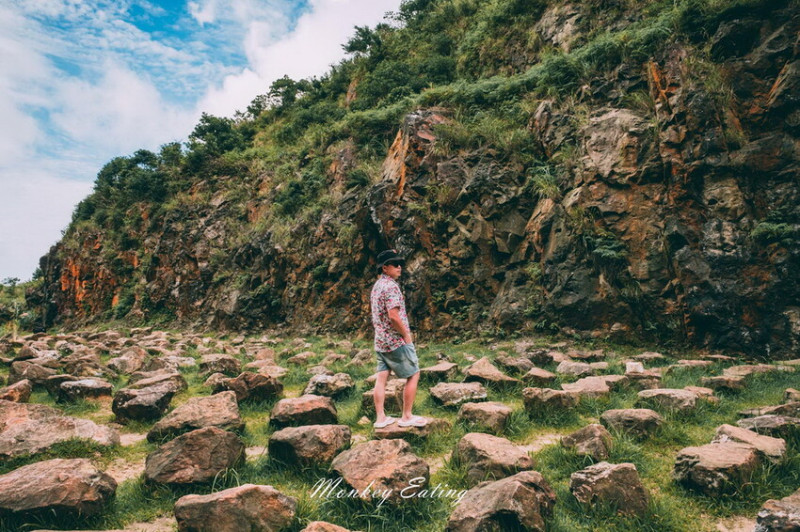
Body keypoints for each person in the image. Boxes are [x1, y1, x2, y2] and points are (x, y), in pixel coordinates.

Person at [370, 249, 427, 428]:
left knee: (381, 378)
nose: (399, 267)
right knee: (414, 374)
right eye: (395, 264)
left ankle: (380, 418)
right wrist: (406, 335)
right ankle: (407, 416)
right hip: (395, 340)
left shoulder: (377, 286)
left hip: (380, 341)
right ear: (385, 268)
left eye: (400, 263)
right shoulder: (391, 286)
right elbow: (394, 316)